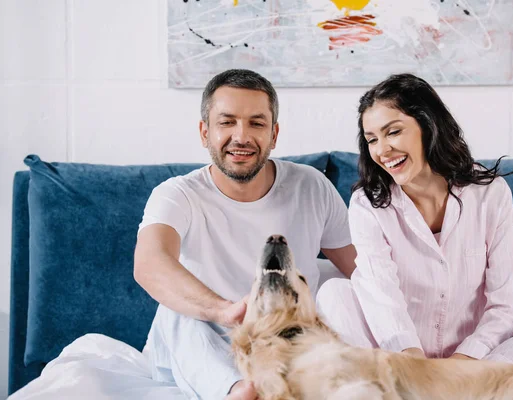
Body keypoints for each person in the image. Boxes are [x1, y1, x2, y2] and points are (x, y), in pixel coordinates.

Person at [316, 73, 513, 364]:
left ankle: (446, 388)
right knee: (334, 295)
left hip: (477, 362)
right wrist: (414, 364)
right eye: (372, 139)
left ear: (428, 125)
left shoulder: (490, 194)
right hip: (401, 359)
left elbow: (506, 304)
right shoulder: (368, 204)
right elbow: (381, 295)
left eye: (394, 132)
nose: (382, 150)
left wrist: (461, 365)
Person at [133, 69, 356, 400]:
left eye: (256, 123)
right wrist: (225, 311)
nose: (241, 136)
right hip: (204, 342)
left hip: (285, 345)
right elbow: (150, 263)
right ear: (204, 131)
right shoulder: (178, 194)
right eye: (227, 122)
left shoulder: (311, 186)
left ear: (274, 134)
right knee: (174, 309)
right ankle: (237, 391)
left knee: (338, 285)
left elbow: (361, 269)